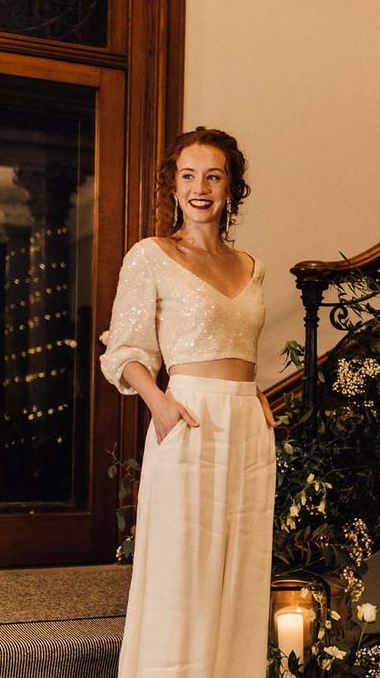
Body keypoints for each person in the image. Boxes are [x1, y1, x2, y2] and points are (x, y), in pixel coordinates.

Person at [100, 127, 277, 677]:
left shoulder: (252, 265)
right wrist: (157, 401)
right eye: (188, 176)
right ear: (173, 187)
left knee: (242, 566)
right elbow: (124, 349)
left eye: (213, 176)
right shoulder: (150, 256)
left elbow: (237, 347)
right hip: (188, 417)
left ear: (231, 189)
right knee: (183, 570)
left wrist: (258, 395)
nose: (200, 187)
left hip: (246, 423)